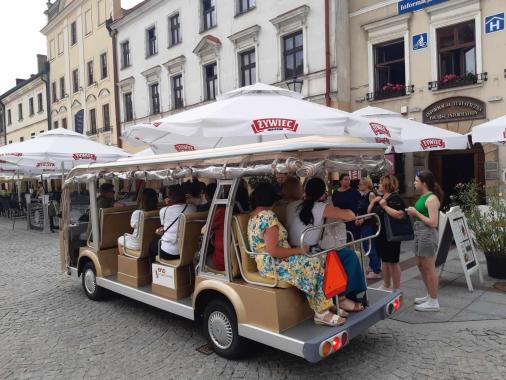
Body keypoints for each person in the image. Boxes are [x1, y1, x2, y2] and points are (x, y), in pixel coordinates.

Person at [248, 182, 344, 327]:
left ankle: (326, 303)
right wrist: (299, 250)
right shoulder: (268, 217)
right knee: (313, 262)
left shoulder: (254, 215)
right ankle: (321, 312)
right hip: (273, 263)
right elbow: (274, 251)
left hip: (269, 261)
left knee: (319, 258)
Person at [286, 177, 367, 312]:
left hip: (294, 249)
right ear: (323, 193)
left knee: (344, 254)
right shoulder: (322, 207)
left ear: (305, 191)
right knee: (350, 255)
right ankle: (341, 297)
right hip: (309, 252)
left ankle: (344, 296)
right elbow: (350, 216)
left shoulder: (291, 206)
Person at [406, 170, 443, 312]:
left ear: (424, 183)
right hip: (419, 232)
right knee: (421, 265)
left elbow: (433, 223)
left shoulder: (432, 199)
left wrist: (416, 213)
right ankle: (430, 295)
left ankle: (434, 301)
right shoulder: (424, 196)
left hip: (427, 234)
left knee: (429, 267)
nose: (414, 182)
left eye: (416, 180)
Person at [368, 175, 407, 291]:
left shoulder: (395, 198)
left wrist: (384, 206)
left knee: (393, 262)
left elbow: (399, 214)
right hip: (380, 234)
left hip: (391, 235)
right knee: (384, 260)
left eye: (380, 183)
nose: (378, 185)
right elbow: (370, 212)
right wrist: (374, 201)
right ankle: (386, 284)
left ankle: (396, 288)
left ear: (387, 184)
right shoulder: (380, 198)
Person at [149, 184, 196, 264]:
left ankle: (153, 273)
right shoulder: (193, 208)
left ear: (169, 198)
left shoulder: (164, 211)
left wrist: (168, 204)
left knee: (152, 245)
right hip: (187, 251)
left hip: (169, 252)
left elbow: (163, 229)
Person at [118, 188, 158, 253]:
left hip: (137, 243)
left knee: (120, 239)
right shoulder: (158, 212)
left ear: (142, 199)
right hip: (152, 241)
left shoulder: (137, 213)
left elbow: (132, 225)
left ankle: (123, 260)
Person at [356, 177, 381, 279]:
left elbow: (372, 212)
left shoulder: (370, 194)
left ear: (367, 185)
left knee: (370, 246)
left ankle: (376, 270)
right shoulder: (363, 195)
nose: (359, 185)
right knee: (366, 245)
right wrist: (357, 219)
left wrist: (363, 219)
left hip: (369, 224)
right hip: (363, 224)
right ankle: (372, 266)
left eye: (361, 183)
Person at [332, 173, 362, 241]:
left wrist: (358, 217)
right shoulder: (335, 193)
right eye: (345, 179)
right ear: (340, 181)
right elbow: (335, 206)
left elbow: (360, 206)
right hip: (340, 221)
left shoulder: (354, 192)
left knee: (352, 240)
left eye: (349, 180)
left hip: (352, 221)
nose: (348, 181)